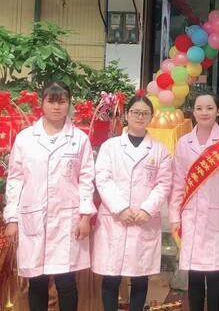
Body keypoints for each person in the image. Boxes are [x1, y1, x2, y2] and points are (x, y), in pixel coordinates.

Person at [4, 81, 96, 311]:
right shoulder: (25, 138)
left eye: (62, 102)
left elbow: (86, 179)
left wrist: (85, 216)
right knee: (37, 281)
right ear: (42, 103)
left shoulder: (79, 139)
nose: (56, 107)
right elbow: (15, 180)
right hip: (33, 217)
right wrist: (12, 219)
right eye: (51, 101)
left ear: (69, 104)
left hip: (67, 221)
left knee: (66, 282)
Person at [92, 93, 172, 311]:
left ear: (151, 117)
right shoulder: (110, 147)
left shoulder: (160, 150)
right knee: (111, 276)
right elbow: (103, 178)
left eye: (145, 113)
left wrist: (147, 209)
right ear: (126, 115)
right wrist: (120, 209)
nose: (140, 116)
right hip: (114, 219)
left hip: (143, 220)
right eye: (135, 112)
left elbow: (164, 183)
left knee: (140, 276)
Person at [169, 92, 219, 311]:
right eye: (199, 108)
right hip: (191, 216)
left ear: (218, 111)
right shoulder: (184, 143)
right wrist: (174, 216)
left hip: (218, 216)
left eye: (210, 108)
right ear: (193, 111)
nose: (204, 112)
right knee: (193, 274)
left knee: (214, 275)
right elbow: (178, 182)